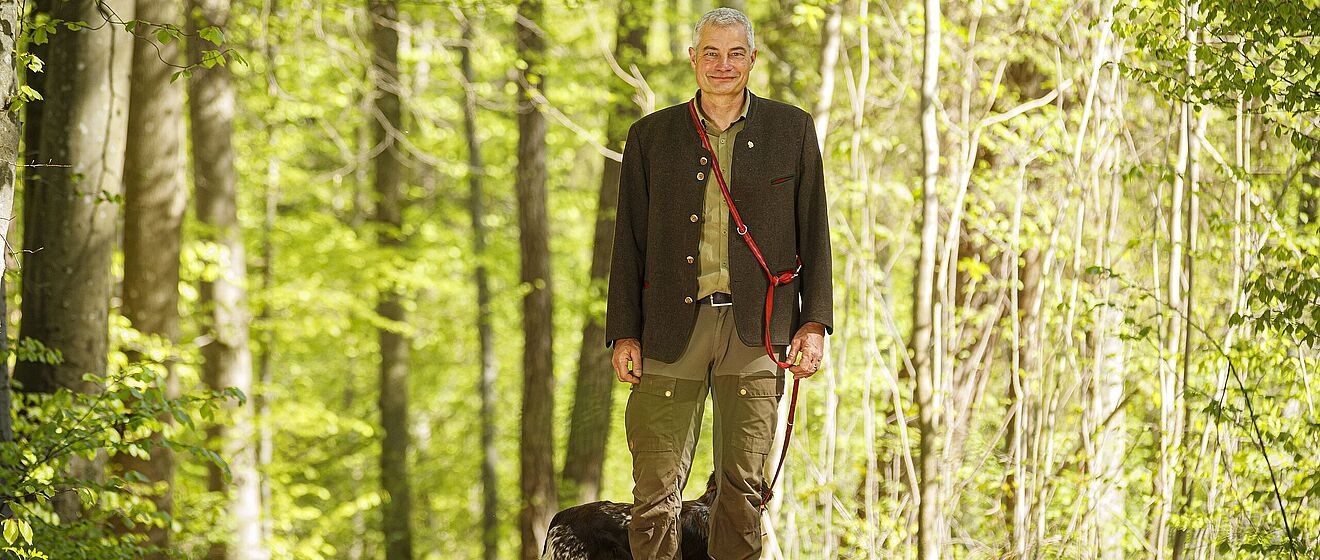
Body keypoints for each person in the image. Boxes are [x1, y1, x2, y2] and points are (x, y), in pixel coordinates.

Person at [604, 7, 833, 559]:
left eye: (735, 53)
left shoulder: (792, 130)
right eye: (711, 53)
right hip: (667, 330)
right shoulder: (651, 136)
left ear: (752, 59)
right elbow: (627, 241)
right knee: (655, 492)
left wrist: (814, 322)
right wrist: (623, 333)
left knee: (742, 493)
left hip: (759, 331)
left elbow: (815, 230)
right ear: (693, 59)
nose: (722, 65)